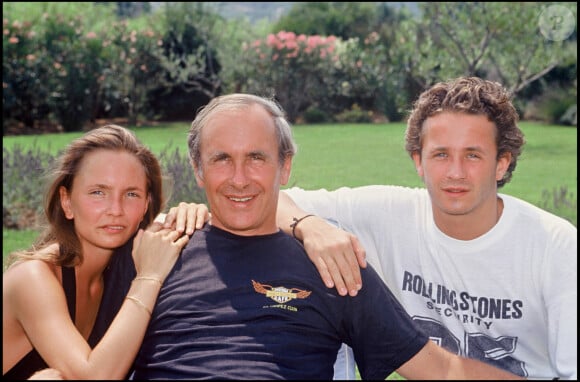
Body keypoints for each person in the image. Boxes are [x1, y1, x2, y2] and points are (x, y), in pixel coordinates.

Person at [102, 93, 521, 379]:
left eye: (257, 159)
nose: (239, 178)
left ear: (285, 168)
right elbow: (84, 356)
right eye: (221, 160)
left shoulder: (331, 264)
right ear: (198, 169)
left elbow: (440, 369)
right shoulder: (155, 251)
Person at [273, 76, 577, 379]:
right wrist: (310, 226)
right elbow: (271, 202)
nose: (455, 173)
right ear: (419, 161)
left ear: (501, 163)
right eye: (441, 154)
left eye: (473, 155)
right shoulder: (390, 215)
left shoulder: (556, 246)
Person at [2, 125, 192, 380]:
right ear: (67, 201)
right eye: (98, 192)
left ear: (146, 205)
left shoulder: (117, 270)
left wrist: (190, 215)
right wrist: (149, 277)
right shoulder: (32, 278)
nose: (115, 209)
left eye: (131, 194)